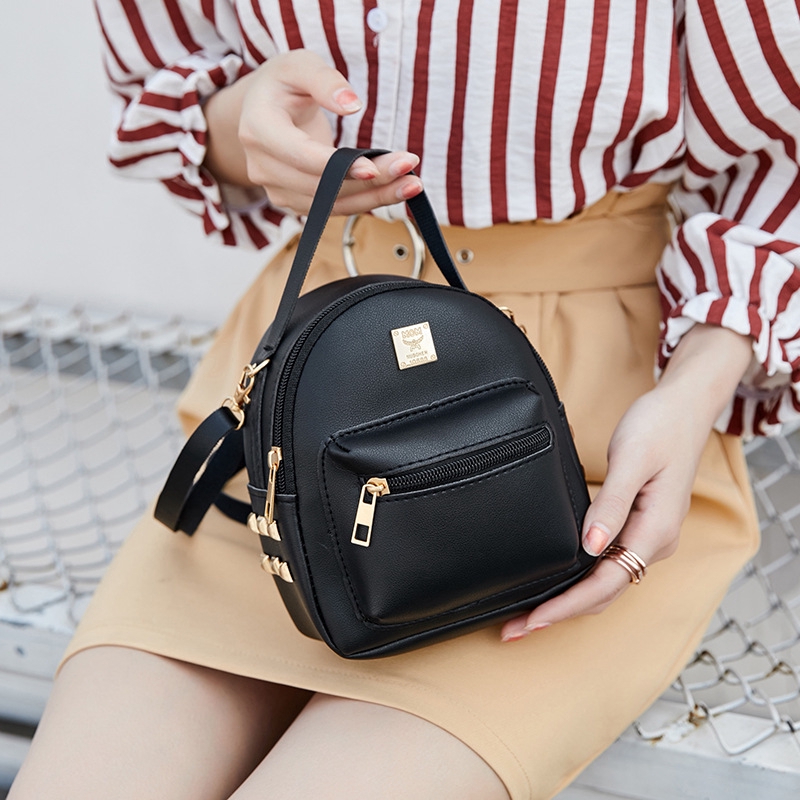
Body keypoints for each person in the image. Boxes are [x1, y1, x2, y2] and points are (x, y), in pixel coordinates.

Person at [10, 2, 800, 799]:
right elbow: (172, 76)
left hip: (573, 462)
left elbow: (780, 166)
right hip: (294, 444)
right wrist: (248, 124)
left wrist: (692, 397)